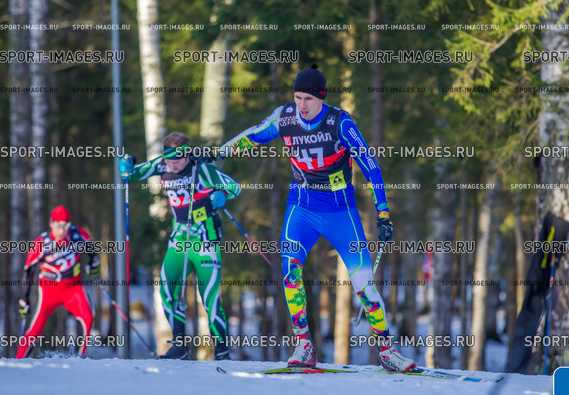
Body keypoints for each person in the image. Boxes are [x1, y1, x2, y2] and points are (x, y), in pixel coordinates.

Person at [220, 65, 415, 371]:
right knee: (290, 273)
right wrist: (217, 152)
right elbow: (254, 135)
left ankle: (387, 350)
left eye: (308, 99)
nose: (302, 105)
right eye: (297, 97)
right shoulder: (285, 117)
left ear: (321, 98)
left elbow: (370, 166)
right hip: (302, 209)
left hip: (340, 212)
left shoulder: (340, 122)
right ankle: (303, 345)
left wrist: (383, 213)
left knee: (364, 283)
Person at [120, 132, 240, 360]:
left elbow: (234, 187)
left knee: (210, 298)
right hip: (179, 241)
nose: (172, 165)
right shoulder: (162, 164)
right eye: (169, 160)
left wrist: (220, 195)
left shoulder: (202, 169)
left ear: (187, 156)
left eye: (177, 160)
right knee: (167, 290)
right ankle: (180, 346)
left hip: (205, 241)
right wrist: (126, 167)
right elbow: (134, 174)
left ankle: (222, 350)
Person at [16, 205, 99, 358]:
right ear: (51, 223)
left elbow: (93, 249)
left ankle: (81, 359)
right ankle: (19, 359)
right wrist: (24, 299)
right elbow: (28, 270)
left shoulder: (77, 235)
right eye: (58, 225)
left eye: (65, 225)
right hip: (49, 290)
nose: (62, 230)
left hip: (73, 288)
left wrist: (93, 265)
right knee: (35, 328)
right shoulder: (42, 242)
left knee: (88, 317)